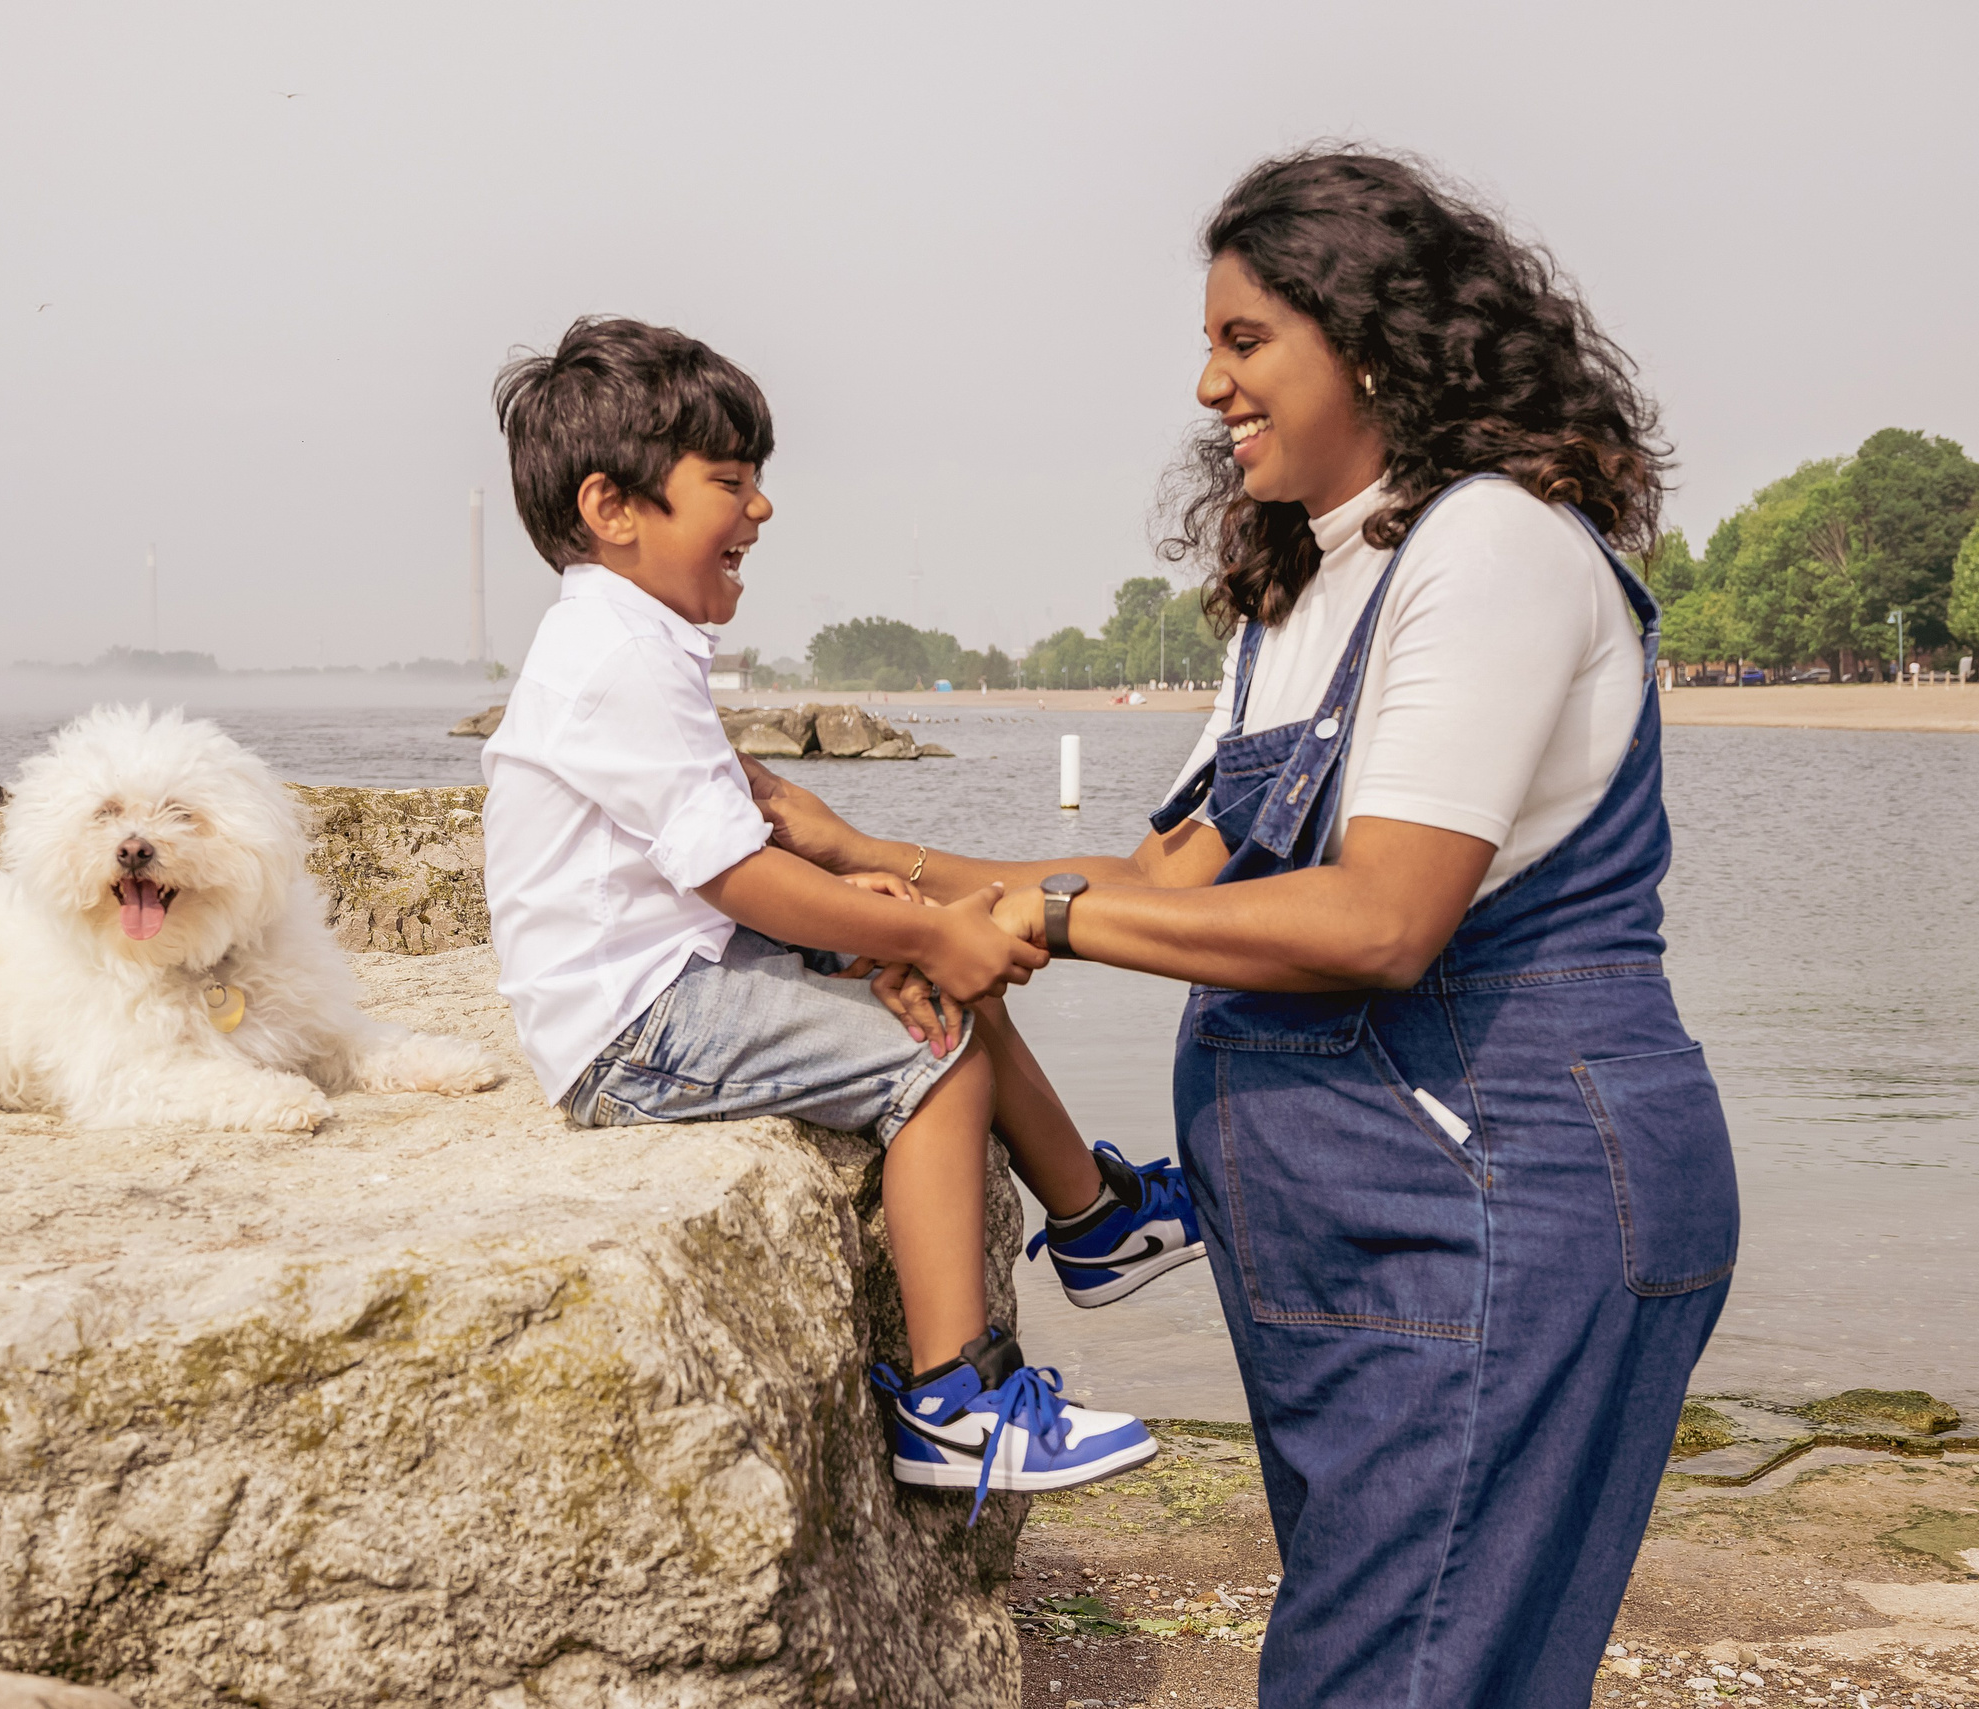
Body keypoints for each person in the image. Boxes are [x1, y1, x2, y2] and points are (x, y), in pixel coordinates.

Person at [747, 151, 1737, 1706]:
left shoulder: (1488, 549)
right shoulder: (1304, 591)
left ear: (1373, 335)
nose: (1208, 384)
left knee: (1389, 1678)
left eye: (1244, 339)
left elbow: (1385, 918)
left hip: (1500, 1211)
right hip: (1354, 1247)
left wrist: (1041, 919)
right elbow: (1174, 876)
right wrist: (872, 858)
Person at [477, 317, 1207, 1518]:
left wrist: (875, 914)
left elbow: (730, 836)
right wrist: (916, 933)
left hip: (677, 971)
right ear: (613, 507)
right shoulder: (612, 652)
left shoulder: (632, 636)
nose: (760, 510)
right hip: (635, 1025)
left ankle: (1093, 1217)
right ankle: (955, 1402)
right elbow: (728, 875)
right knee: (936, 1049)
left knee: (925, 965)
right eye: (730, 482)